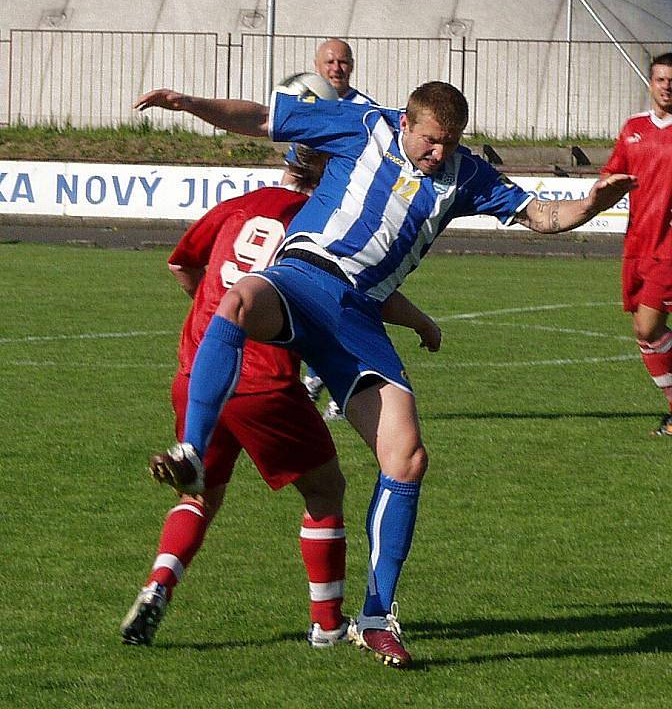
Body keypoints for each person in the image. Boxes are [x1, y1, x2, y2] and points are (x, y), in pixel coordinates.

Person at [134, 80, 635, 667]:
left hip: (357, 315)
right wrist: (192, 104)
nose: (438, 155)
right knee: (240, 300)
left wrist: (596, 204)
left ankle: (375, 616)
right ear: (406, 123)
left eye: (450, 144)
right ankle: (192, 450)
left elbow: (544, 216)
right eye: (430, 142)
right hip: (301, 278)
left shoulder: (467, 176)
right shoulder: (362, 124)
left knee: (407, 456)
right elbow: (263, 117)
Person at [121, 146, 441, 649]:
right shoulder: (320, 226)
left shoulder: (239, 205)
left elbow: (181, 266)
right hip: (265, 383)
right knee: (324, 490)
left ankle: (158, 585)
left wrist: (222, 312)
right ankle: (328, 624)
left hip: (196, 372)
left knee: (201, 493)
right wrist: (422, 321)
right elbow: (358, 292)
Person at [287, 38, 375, 420]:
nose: (336, 68)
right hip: (316, 222)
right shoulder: (309, 106)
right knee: (312, 300)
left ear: (351, 66)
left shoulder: (366, 112)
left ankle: (341, 385)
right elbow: (296, 167)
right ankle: (319, 378)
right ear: (316, 65)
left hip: (353, 225)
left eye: (343, 61)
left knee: (351, 303)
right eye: (329, 61)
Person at [601, 52, 672, 436]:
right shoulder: (633, 129)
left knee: (648, 328)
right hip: (638, 242)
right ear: (651, 82)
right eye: (661, 79)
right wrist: (606, 183)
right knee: (643, 334)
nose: (667, 86)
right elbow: (612, 171)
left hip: (669, 244)